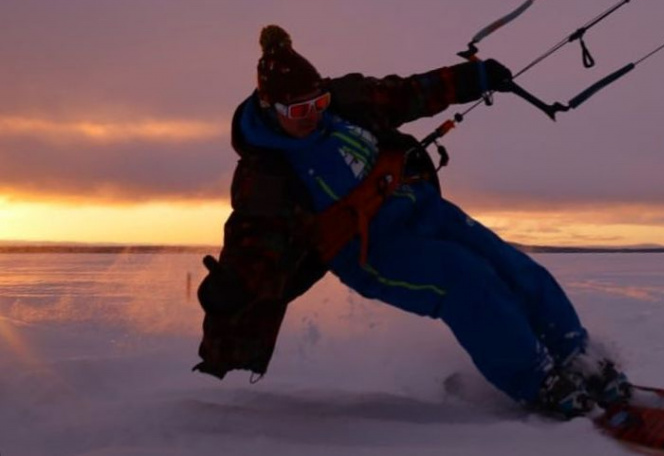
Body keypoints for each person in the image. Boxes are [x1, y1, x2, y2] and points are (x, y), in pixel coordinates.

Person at [194, 25, 629, 418]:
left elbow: (406, 93)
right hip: (370, 250)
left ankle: (578, 357)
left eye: (318, 102)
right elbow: (254, 241)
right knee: (466, 281)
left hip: (419, 206)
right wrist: (233, 285)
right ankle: (539, 382)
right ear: (271, 109)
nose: (312, 115)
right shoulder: (264, 173)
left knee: (509, 266)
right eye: (297, 110)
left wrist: (470, 79)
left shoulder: (347, 104)